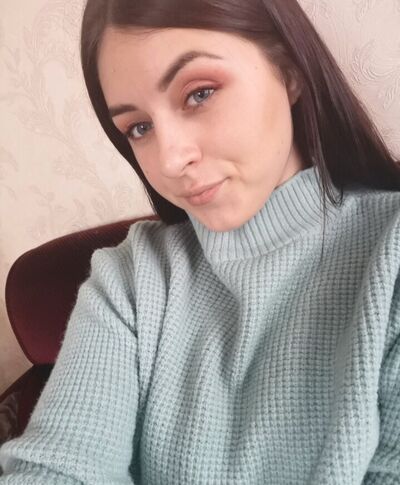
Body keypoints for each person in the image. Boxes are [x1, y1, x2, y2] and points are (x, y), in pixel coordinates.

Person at [0, 0, 399, 483]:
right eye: (139, 128)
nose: (169, 161)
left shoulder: (390, 255)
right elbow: (57, 467)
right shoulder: (130, 278)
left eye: (199, 93)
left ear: (289, 69)